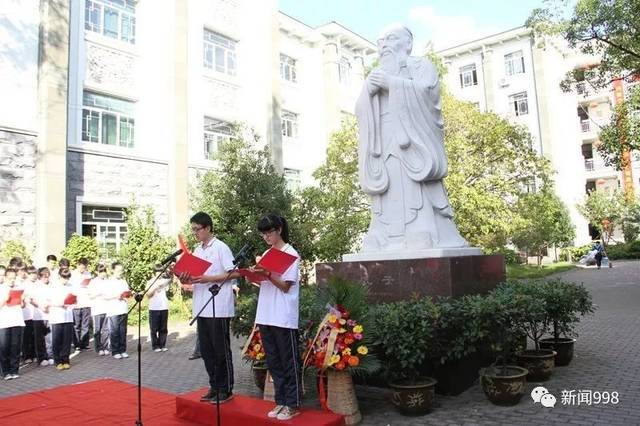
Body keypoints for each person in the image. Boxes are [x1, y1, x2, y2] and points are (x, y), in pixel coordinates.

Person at [355, 24, 468, 252]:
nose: (384, 44)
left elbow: (427, 94)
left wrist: (391, 84)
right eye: (380, 41)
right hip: (383, 138)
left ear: (407, 44)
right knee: (386, 185)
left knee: (413, 183)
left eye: (391, 38)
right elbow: (360, 109)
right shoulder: (375, 75)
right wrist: (369, 91)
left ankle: (422, 227)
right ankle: (383, 236)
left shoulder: (421, 66)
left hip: (411, 141)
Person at [178, 211, 236, 404]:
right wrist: (185, 277)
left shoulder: (221, 248)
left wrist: (208, 278)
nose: (195, 233)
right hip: (201, 305)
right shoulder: (197, 250)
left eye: (198, 229)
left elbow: (234, 273)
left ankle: (225, 388)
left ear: (208, 228)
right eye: (193, 230)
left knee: (220, 349)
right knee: (207, 351)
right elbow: (195, 276)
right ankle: (214, 385)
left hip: (219, 306)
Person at [252, 213, 302, 420]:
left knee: (288, 361)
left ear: (279, 229)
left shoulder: (291, 254)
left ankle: (293, 403)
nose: (266, 237)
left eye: (269, 232)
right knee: (274, 362)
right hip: (266, 315)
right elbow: (265, 283)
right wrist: (253, 277)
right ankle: (281, 401)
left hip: (283, 315)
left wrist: (267, 274)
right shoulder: (266, 254)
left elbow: (285, 286)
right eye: (263, 234)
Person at [47, 268, 75, 370]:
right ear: (59, 276)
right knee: (57, 340)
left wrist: (71, 304)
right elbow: (48, 301)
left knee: (66, 340)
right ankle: (57, 361)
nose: (66, 280)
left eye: (68, 277)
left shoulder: (71, 286)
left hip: (68, 316)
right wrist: (60, 304)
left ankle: (66, 359)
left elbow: (74, 300)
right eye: (64, 277)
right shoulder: (53, 287)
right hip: (57, 316)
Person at [0, 268, 25, 379]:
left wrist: (22, 300)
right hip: (4, 323)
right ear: (5, 278)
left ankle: (14, 370)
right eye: (10, 279)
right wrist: (5, 299)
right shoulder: (1, 289)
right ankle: (5, 372)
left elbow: (22, 306)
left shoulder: (18, 289)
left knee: (15, 346)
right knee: (4, 347)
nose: (12, 281)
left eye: (14, 278)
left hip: (17, 320)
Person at [106, 261, 131, 359]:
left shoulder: (123, 281)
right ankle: (115, 350)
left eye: (121, 270)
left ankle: (123, 349)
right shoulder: (109, 281)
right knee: (114, 330)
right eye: (118, 270)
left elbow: (127, 292)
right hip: (114, 309)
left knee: (123, 330)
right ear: (113, 270)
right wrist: (116, 296)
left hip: (123, 308)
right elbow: (106, 295)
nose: (120, 272)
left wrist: (127, 294)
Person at [147, 266, 171, 352]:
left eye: (161, 271)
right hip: (154, 308)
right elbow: (148, 295)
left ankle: (162, 344)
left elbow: (169, 282)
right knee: (154, 328)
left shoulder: (164, 281)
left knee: (163, 328)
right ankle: (155, 346)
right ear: (154, 273)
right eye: (158, 272)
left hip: (164, 307)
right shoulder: (150, 282)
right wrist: (155, 287)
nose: (160, 273)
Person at [71, 258, 93, 351]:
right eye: (81, 267)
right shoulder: (72, 275)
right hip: (76, 303)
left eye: (84, 268)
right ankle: (77, 344)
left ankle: (84, 343)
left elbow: (91, 286)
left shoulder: (88, 274)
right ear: (78, 265)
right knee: (77, 325)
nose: (83, 269)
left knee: (85, 324)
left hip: (86, 302)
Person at [89, 264, 110, 356]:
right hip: (97, 309)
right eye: (101, 272)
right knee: (97, 329)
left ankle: (105, 346)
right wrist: (98, 294)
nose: (103, 274)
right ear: (97, 272)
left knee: (105, 329)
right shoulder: (93, 282)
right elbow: (90, 295)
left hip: (106, 308)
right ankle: (99, 348)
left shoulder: (108, 281)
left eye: (104, 271)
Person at [32, 267, 51, 366]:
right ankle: (41, 358)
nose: (46, 278)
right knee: (39, 338)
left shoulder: (51, 286)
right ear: (40, 276)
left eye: (48, 276)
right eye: (44, 276)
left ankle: (49, 355)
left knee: (49, 337)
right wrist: (41, 307)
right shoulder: (35, 286)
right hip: (38, 315)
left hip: (49, 315)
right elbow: (32, 300)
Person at [19, 266, 38, 364]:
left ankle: (35, 354)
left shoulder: (38, 284)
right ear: (27, 274)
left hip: (37, 313)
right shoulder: (23, 285)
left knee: (35, 335)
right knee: (27, 336)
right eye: (31, 274)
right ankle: (27, 355)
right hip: (26, 313)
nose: (34, 276)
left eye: (35, 273)